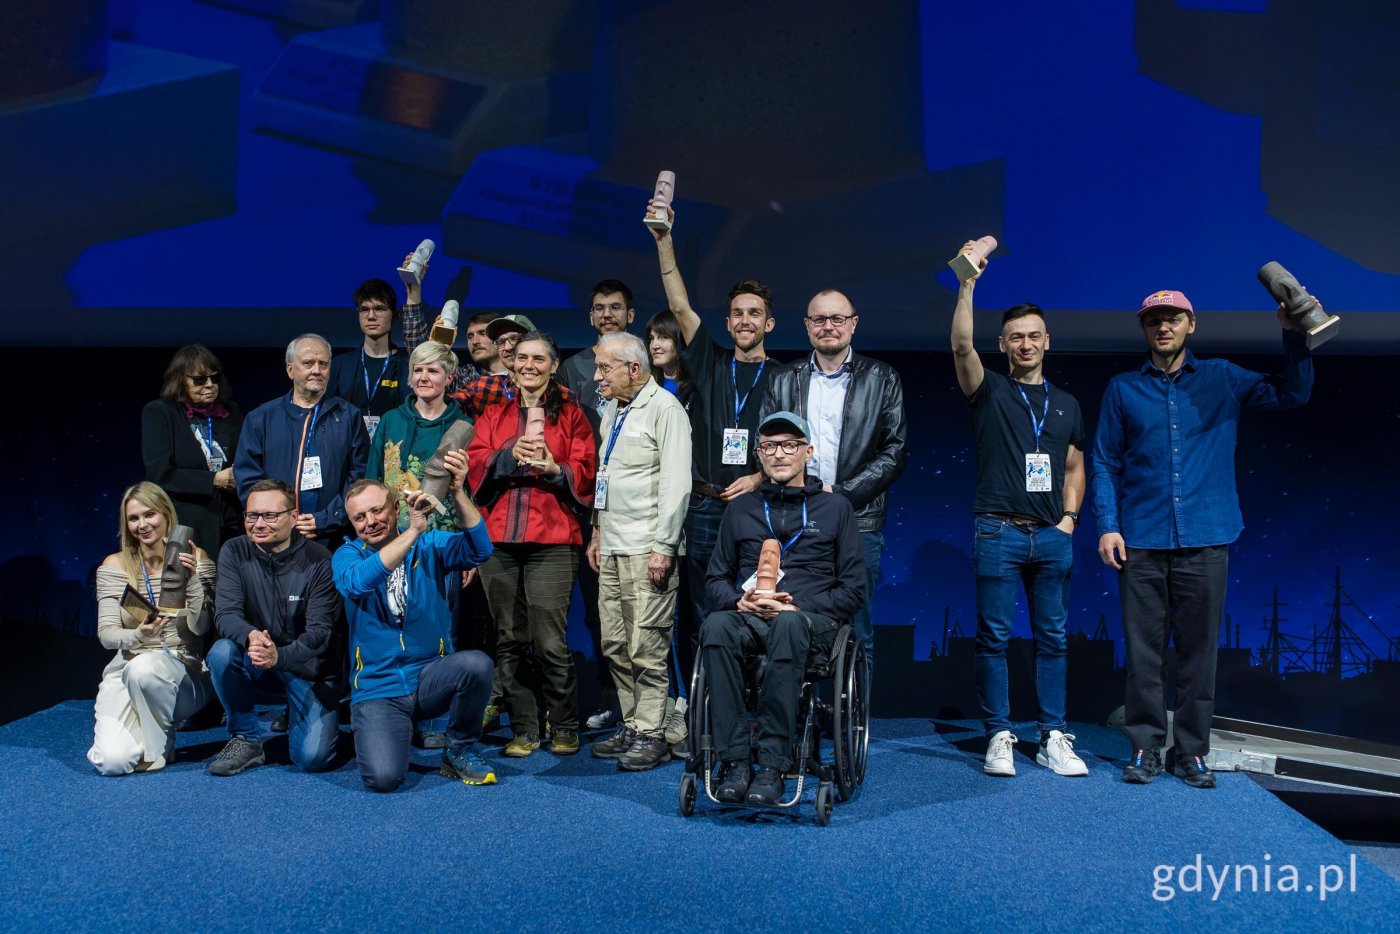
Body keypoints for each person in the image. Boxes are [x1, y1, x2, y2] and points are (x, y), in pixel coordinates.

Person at [1093, 288, 1317, 789]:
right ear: (1144, 329)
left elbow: (1292, 394)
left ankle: (1191, 752)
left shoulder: (1222, 377)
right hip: (1142, 540)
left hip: (1207, 537)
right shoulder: (1123, 389)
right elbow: (1105, 461)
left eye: (1173, 319)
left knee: (1199, 655)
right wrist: (1107, 524)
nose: (1163, 327)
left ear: (1191, 325)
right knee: (1144, 656)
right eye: (1154, 320)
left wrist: (1294, 336)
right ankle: (1145, 748)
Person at [949, 243, 1087, 778]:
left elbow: (1074, 466)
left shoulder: (1067, 404)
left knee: (1053, 640)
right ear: (1002, 345)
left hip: (1051, 536)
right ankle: (999, 734)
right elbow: (962, 345)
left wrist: (1069, 520)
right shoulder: (989, 390)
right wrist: (967, 284)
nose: (1025, 344)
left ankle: (1053, 736)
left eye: (1034, 336)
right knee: (994, 639)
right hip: (998, 532)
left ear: (1047, 342)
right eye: (1015, 337)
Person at [701, 412, 865, 805]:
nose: (779, 453)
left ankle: (773, 765)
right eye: (770, 446)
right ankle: (736, 762)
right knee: (716, 627)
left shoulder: (835, 508)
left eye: (790, 445)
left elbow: (854, 591)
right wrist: (738, 601)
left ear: (808, 452)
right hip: (750, 617)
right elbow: (714, 581)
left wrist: (796, 608)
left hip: (811, 622)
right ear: (759, 455)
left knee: (790, 627)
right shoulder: (740, 509)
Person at [648, 201, 779, 692]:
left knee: (757, 601)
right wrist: (665, 240)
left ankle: (751, 698)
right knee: (703, 608)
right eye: (737, 313)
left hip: (758, 507)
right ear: (727, 322)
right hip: (705, 507)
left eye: (755, 313)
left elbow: (798, 446)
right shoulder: (708, 361)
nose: (745, 320)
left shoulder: (786, 378)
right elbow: (680, 304)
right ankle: (708, 701)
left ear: (769, 323)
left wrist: (760, 476)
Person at [759, 290, 907, 682]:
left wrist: (839, 497)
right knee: (788, 617)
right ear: (807, 326)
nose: (828, 326)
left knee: (858, 628)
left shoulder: (882, 378)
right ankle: (790, 709)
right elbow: (766, 445)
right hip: (793, 518)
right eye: (819, 319)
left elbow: (895, 451)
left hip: (859, 520)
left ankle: (856, 717)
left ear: (853, 324)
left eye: (837, 319)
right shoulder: (783, 379)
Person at [467, 331, 597, 758]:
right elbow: (476, 461)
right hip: (499, 539)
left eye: (538, 359)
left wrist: (556, 469)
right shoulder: (493, 414)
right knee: (508, 638)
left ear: (553, 365)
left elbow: (587, 467)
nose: (529, 366)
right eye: (522, 358)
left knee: (550, 639)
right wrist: (508, 455)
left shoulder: (574, 415)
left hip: (553, 537)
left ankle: (563, 723)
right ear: (512, 363)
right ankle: (524, 727)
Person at [332, 469, 496, 792]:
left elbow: (480, 550)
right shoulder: (347, 555)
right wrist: (412, 532)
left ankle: (458, 749)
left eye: (377, 511)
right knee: (384, 778)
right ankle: (381, 731)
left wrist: (458, 493)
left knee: (477, 665)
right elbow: (358, 582)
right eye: (359, 518)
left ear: (396, 508)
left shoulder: (430, 544)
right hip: (378, 687)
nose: (370, 522)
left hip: (429, 677)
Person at [586, 332, 691, 771]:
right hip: (612, 546)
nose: (597, 377)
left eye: (604, 368)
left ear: (634, 368)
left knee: (646, 646)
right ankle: (632, 724)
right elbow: (605, 475)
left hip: (648, 548)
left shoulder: (666, 409)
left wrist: (664, 547)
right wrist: (596, 532)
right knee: (615, 644)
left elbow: (676, 484)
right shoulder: (613, 408)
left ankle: (653, 732)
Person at [206, 479, 341, 776]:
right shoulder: (234, 551)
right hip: (257, 659)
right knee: (221, 653)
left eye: (270, 515)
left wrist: (280, 656)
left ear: (293, 517)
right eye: (252, 515)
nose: (258, 524)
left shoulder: (319, 559)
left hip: (306, 667)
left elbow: (320, 633)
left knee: (313, 759)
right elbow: (226, 614)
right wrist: (252, 636)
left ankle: (301, 716)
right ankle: (246, 738)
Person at [89, 481, 215, 775]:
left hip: (182, 670)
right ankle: (149, 735)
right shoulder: (115, 565)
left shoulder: (196, 558)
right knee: (113, 761)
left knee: (145, 669)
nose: (142, 525)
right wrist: (139, 635)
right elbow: (107, 635)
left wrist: (192, 581)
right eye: (133, 518)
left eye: (149, 514)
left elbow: (201, 628)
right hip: (127, 666)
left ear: (166, 514)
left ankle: (159, 745)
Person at [557, 280, 637, 730]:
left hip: (635, 502)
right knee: (598, 608)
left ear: (630, 315)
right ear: (590, 317)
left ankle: (650, 700)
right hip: (590, 504)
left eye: (615, 307)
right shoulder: (573, 368)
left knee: (636, 609)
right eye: (599, 308)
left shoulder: (639, 361)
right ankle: (611, 695)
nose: (607, 314)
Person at [234, 334, 370, 543]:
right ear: (290, 370)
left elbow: (359, 476)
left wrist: (328, 518)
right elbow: (248, 477)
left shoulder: (349, 416)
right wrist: (276, 518)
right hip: (275, 537)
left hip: (331, 537)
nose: (317, 370)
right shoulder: (261, 418)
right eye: (308, 363)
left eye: (323, 364)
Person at [141, 344, 244, 560]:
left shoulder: (231, 412)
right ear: (180, 380)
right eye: (199, 380)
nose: (209, 385)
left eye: (214, 378)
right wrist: (214, 480)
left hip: (231, 519)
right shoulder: (160, 413)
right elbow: (161, 474)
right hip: (187, 522)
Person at [366, 340, 472, 531]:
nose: (423, 378)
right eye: (417, 370)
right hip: (396, 531)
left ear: (449, 377)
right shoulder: (391, 419)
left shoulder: (463, 426)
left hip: (445, 533)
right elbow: (373, 476)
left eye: (432, 371)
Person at [327, 278, 410, 438]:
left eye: (379, 309)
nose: (371, 316)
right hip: (350, 450)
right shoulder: (339, 366)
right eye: (364, 309)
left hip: (394, 449)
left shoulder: (407, 366)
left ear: (395, 315)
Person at [645, 309, 694, 406]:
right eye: (651, 338)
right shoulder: (646, 384)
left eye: (664, 337)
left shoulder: (696, 387)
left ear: (680, 341)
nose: (654, 345)